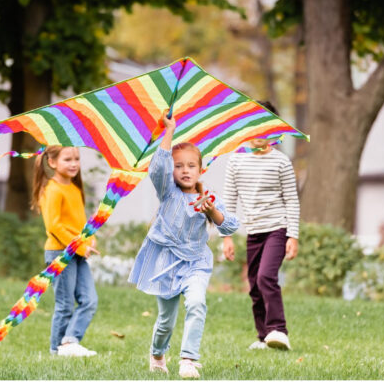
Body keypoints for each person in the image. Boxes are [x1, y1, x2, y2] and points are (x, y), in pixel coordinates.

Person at [128, 112, 239, 378]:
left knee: (197, 304)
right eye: (179, 166)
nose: (186, 170)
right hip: (165, 262)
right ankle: (157, 353)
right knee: (166, 321)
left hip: (196, 263)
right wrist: (169, 132)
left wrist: (212, 212)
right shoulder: (168, 192)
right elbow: (157, 168)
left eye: (191, 165)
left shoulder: (207, 197)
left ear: (201, 169)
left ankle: (189, 359)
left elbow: (231, 225)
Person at [222, 101, 300, 351]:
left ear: (274, 130)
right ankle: (263, 337)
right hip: (253, 231)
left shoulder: (281, 161)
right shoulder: (236, 161)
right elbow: (229, 201)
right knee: (255, 285)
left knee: (267, 277)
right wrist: (227, 237)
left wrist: (293, 236)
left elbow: (291, 200)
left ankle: (279, 330)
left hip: (277, 228)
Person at [31, 146, 99, 357]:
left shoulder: (75, 188)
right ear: (52, 163)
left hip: (77, 253)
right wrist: (79, 246)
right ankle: (56, 350)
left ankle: (69, 342)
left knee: (89, 300)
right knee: (65, 304)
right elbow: (54, 226)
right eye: (67, 159)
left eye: (77, 159)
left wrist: (90, 239)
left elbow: (78, 223)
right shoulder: (52, 190)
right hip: (60, 253)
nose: (74, 164)